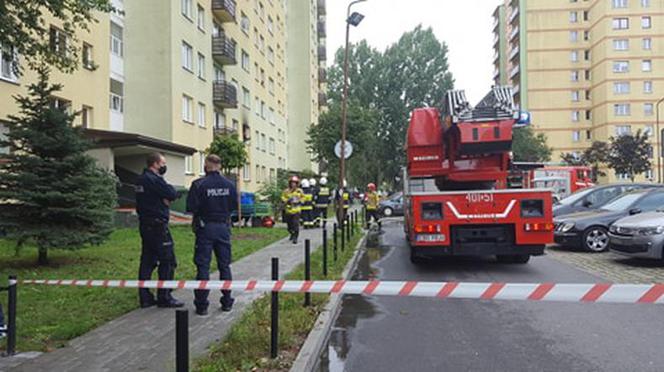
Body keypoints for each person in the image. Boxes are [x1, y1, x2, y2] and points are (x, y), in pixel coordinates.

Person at [186, 154, 238, 316]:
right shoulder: (229, 185)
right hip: (223, 227)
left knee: (203, 266)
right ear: (220, 166)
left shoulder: (198, 184)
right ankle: (227, 301)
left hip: (205, 228)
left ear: (206, 166)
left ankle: (202, 305)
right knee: (224, 266)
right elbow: (233, 207)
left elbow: (191, 207)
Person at [135, 152, 183, 308]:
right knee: (168, 261)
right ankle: (165, 296)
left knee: (147, 261)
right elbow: (172, 193)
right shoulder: (154, 180)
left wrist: (165, 197)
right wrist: (166, 197)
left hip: (145, 225)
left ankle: (145, 297)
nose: (164, 166)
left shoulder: (140, 179)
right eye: (163, 163)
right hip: (158, 226)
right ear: (155, 164)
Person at [282, 176, 304, 243]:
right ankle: (291, 233)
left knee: (295, 224)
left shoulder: (299, 191)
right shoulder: (286, 191)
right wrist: (287, 200)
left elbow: (303, 197)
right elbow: (283, 197)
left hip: (296, 210)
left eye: (295, 183)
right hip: (288, 210)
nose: (293, 184)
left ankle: (295, 238)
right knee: (289, 226)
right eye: (292, 183)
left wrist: (300, 201)